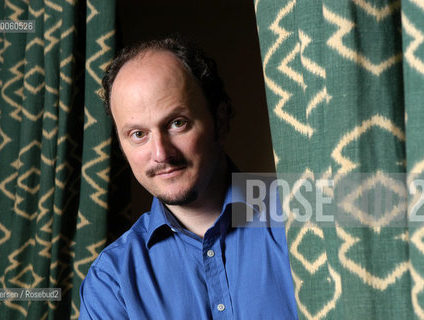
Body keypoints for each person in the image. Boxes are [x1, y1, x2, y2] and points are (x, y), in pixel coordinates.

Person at [79, 36, 298, 319]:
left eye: (177, 123)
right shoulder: (111, 282)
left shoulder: (303, 214)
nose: (160, 153)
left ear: (219, 120)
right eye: (138, 134)